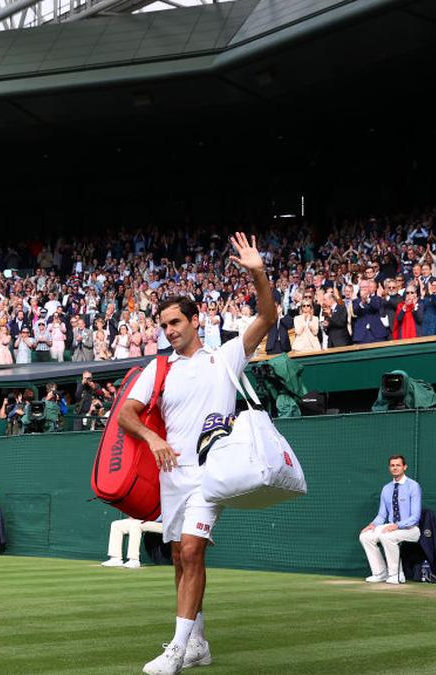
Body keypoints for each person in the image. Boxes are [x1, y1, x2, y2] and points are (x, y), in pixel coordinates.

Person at [119, 232, 275, 675]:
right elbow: (127, 414)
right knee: (176, 557)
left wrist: (257, 271)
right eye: (164, 325)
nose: (169, 331)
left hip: (212, 474)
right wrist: (153, 439)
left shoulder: (226, 357)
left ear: (195, 320)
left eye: (176, 322)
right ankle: (198, 642)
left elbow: (267, 316)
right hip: (173, 476)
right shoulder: (158, 366)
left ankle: (176, 649)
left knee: (191, 552)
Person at [358, 455, 422, 584]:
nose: (395, 468)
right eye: (392, 465)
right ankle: (380, 573)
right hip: (392, 527)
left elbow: (415, 517)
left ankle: (396, 575)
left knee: (387, 537)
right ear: (389, 468)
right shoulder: (386, 489)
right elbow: (382, 515)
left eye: (398, 465)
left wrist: (398, 525)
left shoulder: (413, 486)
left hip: (411, 529)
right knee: (365, 536)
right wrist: (373, 524)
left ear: (404, 467)